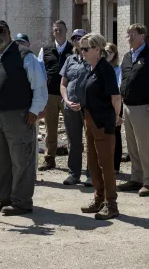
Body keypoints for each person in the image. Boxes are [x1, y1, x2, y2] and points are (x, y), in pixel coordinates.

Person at [0, 20, 48, 216]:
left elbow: (39, 86)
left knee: (21, 161)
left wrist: (34, 111)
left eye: (0, 31)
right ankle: (4, 198)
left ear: (9, 32)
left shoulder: (25, 56)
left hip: (20, 116)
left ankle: (21, 202)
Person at [117, 24, 149, 197]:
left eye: (133, 35)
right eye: (128, 35)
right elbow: (121, 81)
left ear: (142, 37)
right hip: (128, 106)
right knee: (131, 145)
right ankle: (136, 178)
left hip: (145, 107)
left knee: (145, 144)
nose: (129, 38)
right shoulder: (126, 57)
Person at [79, 33, 121, 220]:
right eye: (81, 48)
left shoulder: (106, 69)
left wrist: (115, 117)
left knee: (106, 164)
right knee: (93, 163)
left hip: (103, 122)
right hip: (90, 120)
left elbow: (115, 97)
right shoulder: (91, 68)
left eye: (86, 48)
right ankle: (99, 198)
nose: (83, 52)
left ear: (97, 49)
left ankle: (111, 203)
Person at [38, 20, 73, 171]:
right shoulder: (45, 50)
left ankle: (74, 161)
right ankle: (49, 159)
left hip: (69, 95)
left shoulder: (73, 49)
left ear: (66, 31)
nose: (58, 32)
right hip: (50, 95)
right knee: (50, 129)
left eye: (60, 29)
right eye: (55, 30)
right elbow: (40, 71)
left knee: (72, 128)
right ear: (53, 32)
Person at [59, 28, 91, 186]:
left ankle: (92, 175)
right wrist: (66, 99)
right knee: (74, 141)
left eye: (79, 37)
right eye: (74, 38)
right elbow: (63, 84)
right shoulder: (69, 59)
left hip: (89, 106)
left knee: (91, 140)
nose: (76, 40)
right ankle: (74, 173)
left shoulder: (93, 58)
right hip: (70, 106)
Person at [105, 43, 124, 173]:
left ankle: (116, 166)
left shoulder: (118, 69)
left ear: (115, 54)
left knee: (116, 134)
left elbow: (119, 86)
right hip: (103, 105)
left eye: (111, 52)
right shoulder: (99, 66)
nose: (108, 54)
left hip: (115, 104)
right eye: (106, 51)